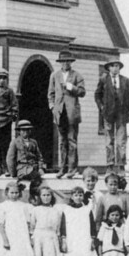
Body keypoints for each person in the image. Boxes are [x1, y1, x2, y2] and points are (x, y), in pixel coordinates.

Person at [48, 50, 86, 179]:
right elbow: (51, 93)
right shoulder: (55, 75)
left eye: (67, 61)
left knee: (72, 141)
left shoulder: (77, 75)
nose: (65, 63)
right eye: (63, 61)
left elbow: (82, 92)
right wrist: (52, 106)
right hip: (59, 112)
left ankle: (72, 168)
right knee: (62, 141)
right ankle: (62, 168)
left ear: (71, 62)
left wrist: (72, 87)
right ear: (60, 63)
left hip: (72, 113)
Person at [95, 58, 129, 176]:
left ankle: (121, 166)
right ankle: (110, 165)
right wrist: (101, 107)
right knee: (109, 141)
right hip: (108, 114)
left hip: (121, 114)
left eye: (117, 66)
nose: (115, 68)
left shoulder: (125, 80)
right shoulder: (103, 79)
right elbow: (97, 95)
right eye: (112, 66)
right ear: (108, 68)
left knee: (121, 141)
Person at [60, 186, 101, 256]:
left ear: (83, 197)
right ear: (72, 197)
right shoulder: (67, 210)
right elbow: (63, 226)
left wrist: (92, 239)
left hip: (84, 240)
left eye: (80, 195)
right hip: (72, 241)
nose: (78, 197)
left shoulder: (87, 210)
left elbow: (92, 225)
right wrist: (64, 240)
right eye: (76, 195)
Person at [28, 183, 62, 256]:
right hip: (39, 237)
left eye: (48, 195)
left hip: (51, 237)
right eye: (44, 195)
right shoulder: (36, 210)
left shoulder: (56, 211)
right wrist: (33, 239)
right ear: (39, 197)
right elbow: (32, 226)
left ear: (52, 197)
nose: (46, 197)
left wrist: (57, 238)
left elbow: (58, 227)